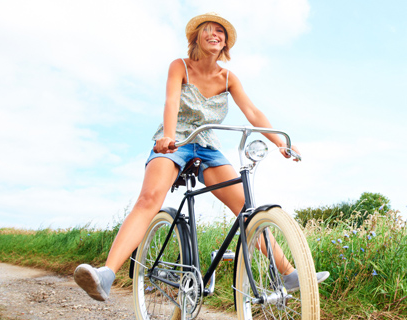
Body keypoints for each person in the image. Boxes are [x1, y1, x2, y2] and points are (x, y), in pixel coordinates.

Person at [74, 13, 327, 301]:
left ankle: (287, 272)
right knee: (149, 198)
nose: (214, 34)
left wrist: (281, 143)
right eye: (208, 30)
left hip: (208, 146)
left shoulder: (229, 78)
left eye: (220, 32)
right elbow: (171, 102)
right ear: (196, 37)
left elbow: (254, 113)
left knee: (248, 209)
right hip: (176, 142)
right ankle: (106, 274)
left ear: (225, 44)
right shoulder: (179, 66)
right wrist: (168, 137)